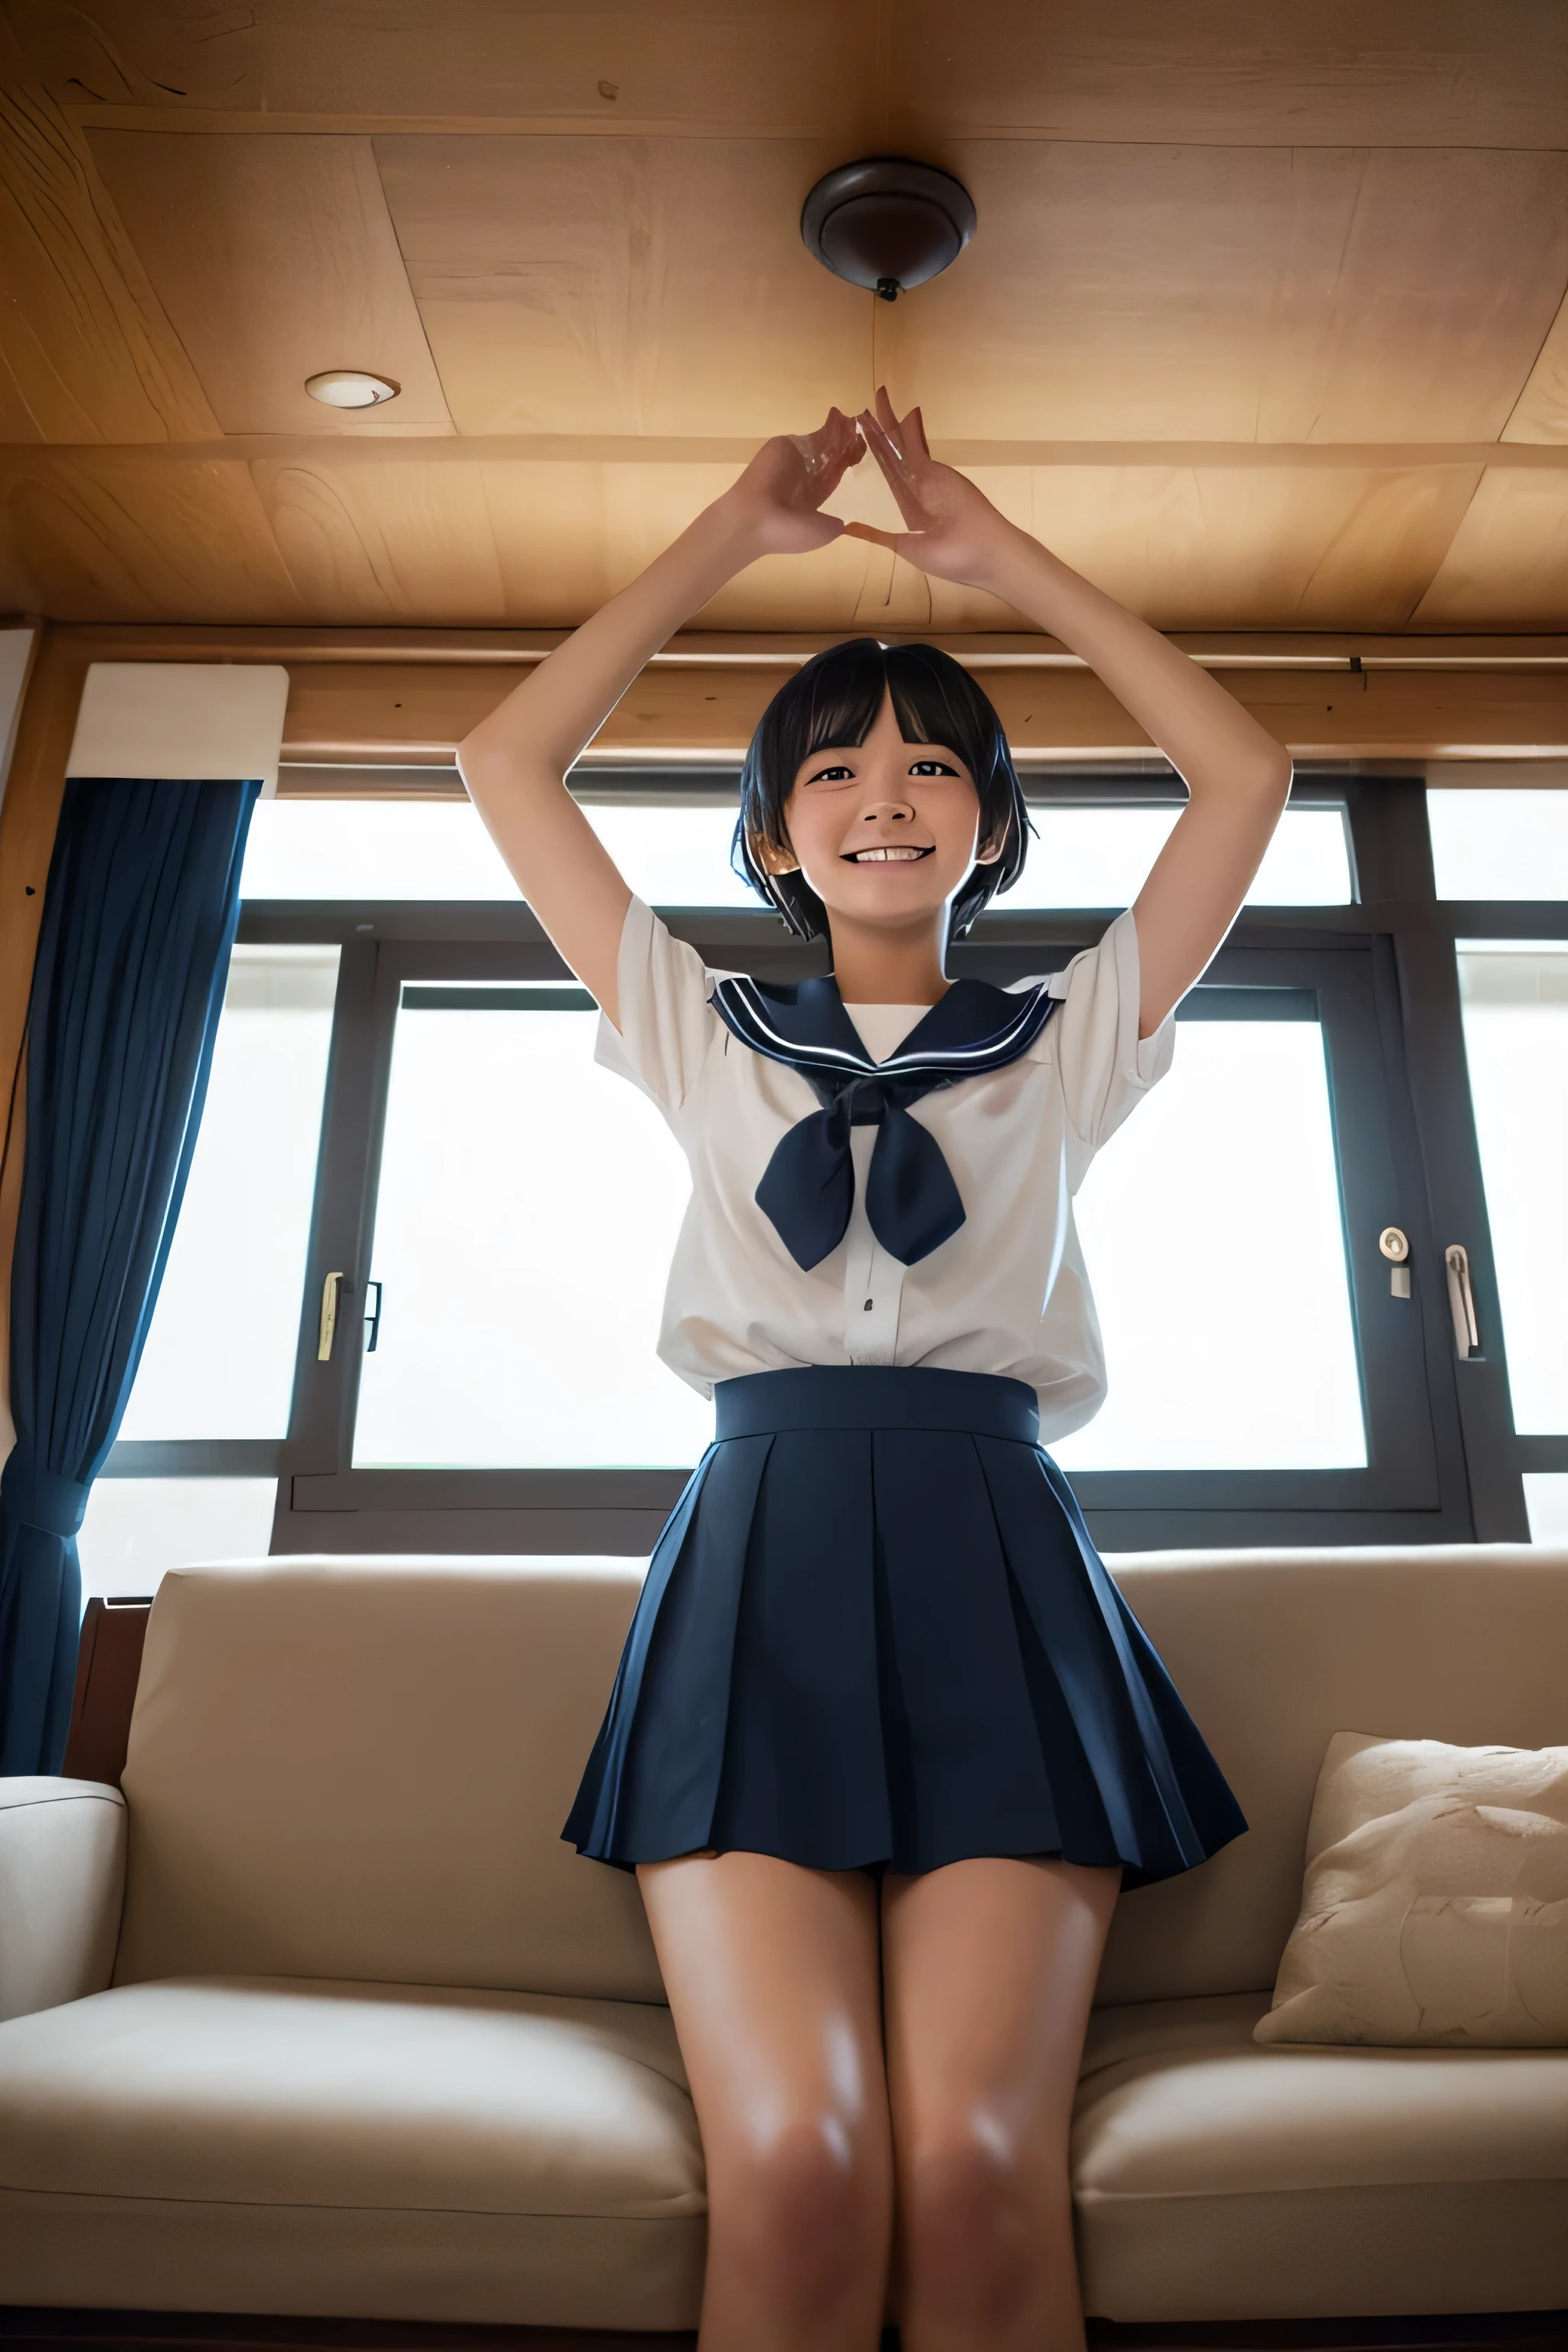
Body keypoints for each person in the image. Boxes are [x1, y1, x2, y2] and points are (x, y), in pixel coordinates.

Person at [457, 393, 1292, 2352]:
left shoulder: (1073, 1037)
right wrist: (728, 541)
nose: (886, 792)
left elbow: (1243, 774)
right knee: (811, 2166)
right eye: (834, 770)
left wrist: (1002, 565)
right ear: (774, 832)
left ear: (994, 826)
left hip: (996, 1566)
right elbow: (502, 760)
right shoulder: (693, 1020)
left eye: (934, 766)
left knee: (978, 2173)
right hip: (755, 1568)